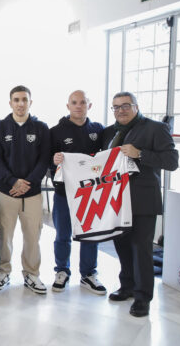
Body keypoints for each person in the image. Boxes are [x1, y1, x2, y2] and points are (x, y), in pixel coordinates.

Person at [102, 91, 178, 317]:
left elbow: (171, 161)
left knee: (141, 249)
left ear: (136, 106)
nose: (120, 110)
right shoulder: (109, 132)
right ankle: (126, 286)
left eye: (125, 105)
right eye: (116, 107)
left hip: (143, 201)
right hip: (116, 201)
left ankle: (143, 297)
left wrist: (140, 154)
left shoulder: (155, 128)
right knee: (122, 247)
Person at [0, 85, 50, 294]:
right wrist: (13, 181)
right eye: (16, 100)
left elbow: (44, 160)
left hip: (32, 194)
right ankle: (3, 271)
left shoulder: (41, 128)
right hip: (6, 193)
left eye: (24, 99)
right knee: (5, 235)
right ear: (10, 103)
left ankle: (32, 274)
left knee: (33, 235)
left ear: (30, 102)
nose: (21, 103)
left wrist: (28, 183)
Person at [49, 90, 105, 294]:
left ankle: (89, 274)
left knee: (90, 234)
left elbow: (107, 157)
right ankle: (62, 271)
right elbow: (47, 161)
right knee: (62, 234)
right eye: (74, 102)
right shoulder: (56, 131)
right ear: (68, 106)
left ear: (89, 106)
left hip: (90, 193)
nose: (78, 106)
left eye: (83, 102)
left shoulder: (98, 130)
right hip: (64, 193)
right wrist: (53, 161)